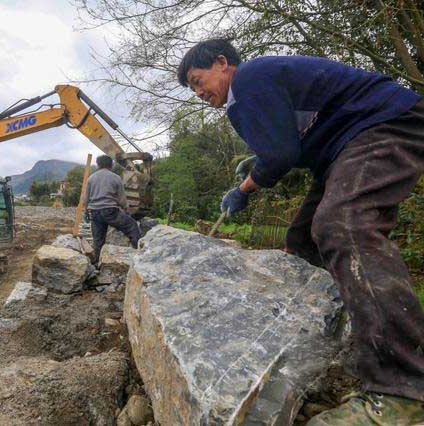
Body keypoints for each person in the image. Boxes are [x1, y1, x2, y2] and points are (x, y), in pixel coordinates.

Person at [177, 38, 424, 423]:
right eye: (192, 88)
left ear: (223, 63)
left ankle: (404, 392)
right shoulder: (256, 88)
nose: (198, 92)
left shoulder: (248, 81)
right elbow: (284, 141)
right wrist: (259, 159)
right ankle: (342, 338)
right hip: (341, 148)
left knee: (343, 224)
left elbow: (281, 155)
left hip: (379, 123)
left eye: (197, 79)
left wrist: (244, 188)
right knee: (301, 239)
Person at [85, 155, 140, 264]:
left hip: (95, 212)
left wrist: (86, 211)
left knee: (98, 241)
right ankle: (139, 255)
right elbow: (121, 198)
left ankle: (97, 264)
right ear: (111, 165)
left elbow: (86, 198)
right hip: (110, 212)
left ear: (98, 164)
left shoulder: (91, 178)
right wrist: (126, 211)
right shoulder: (115, 177)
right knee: (132, 226)